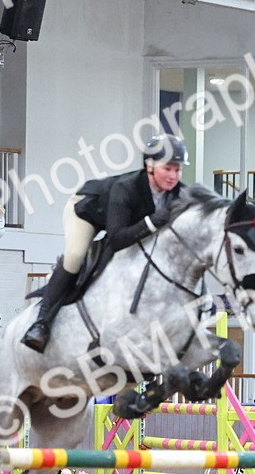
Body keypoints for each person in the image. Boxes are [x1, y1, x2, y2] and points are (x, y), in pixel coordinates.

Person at [21, 134, 188, 352]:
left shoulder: (179, 193)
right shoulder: (126, 188)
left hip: (123, 223)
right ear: (150, 166)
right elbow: (117, 239)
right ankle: (41, 324)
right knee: (76, 256)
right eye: (168, 169)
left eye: (178, 169)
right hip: (87, 211)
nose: (173, 175)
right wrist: (151, 222)